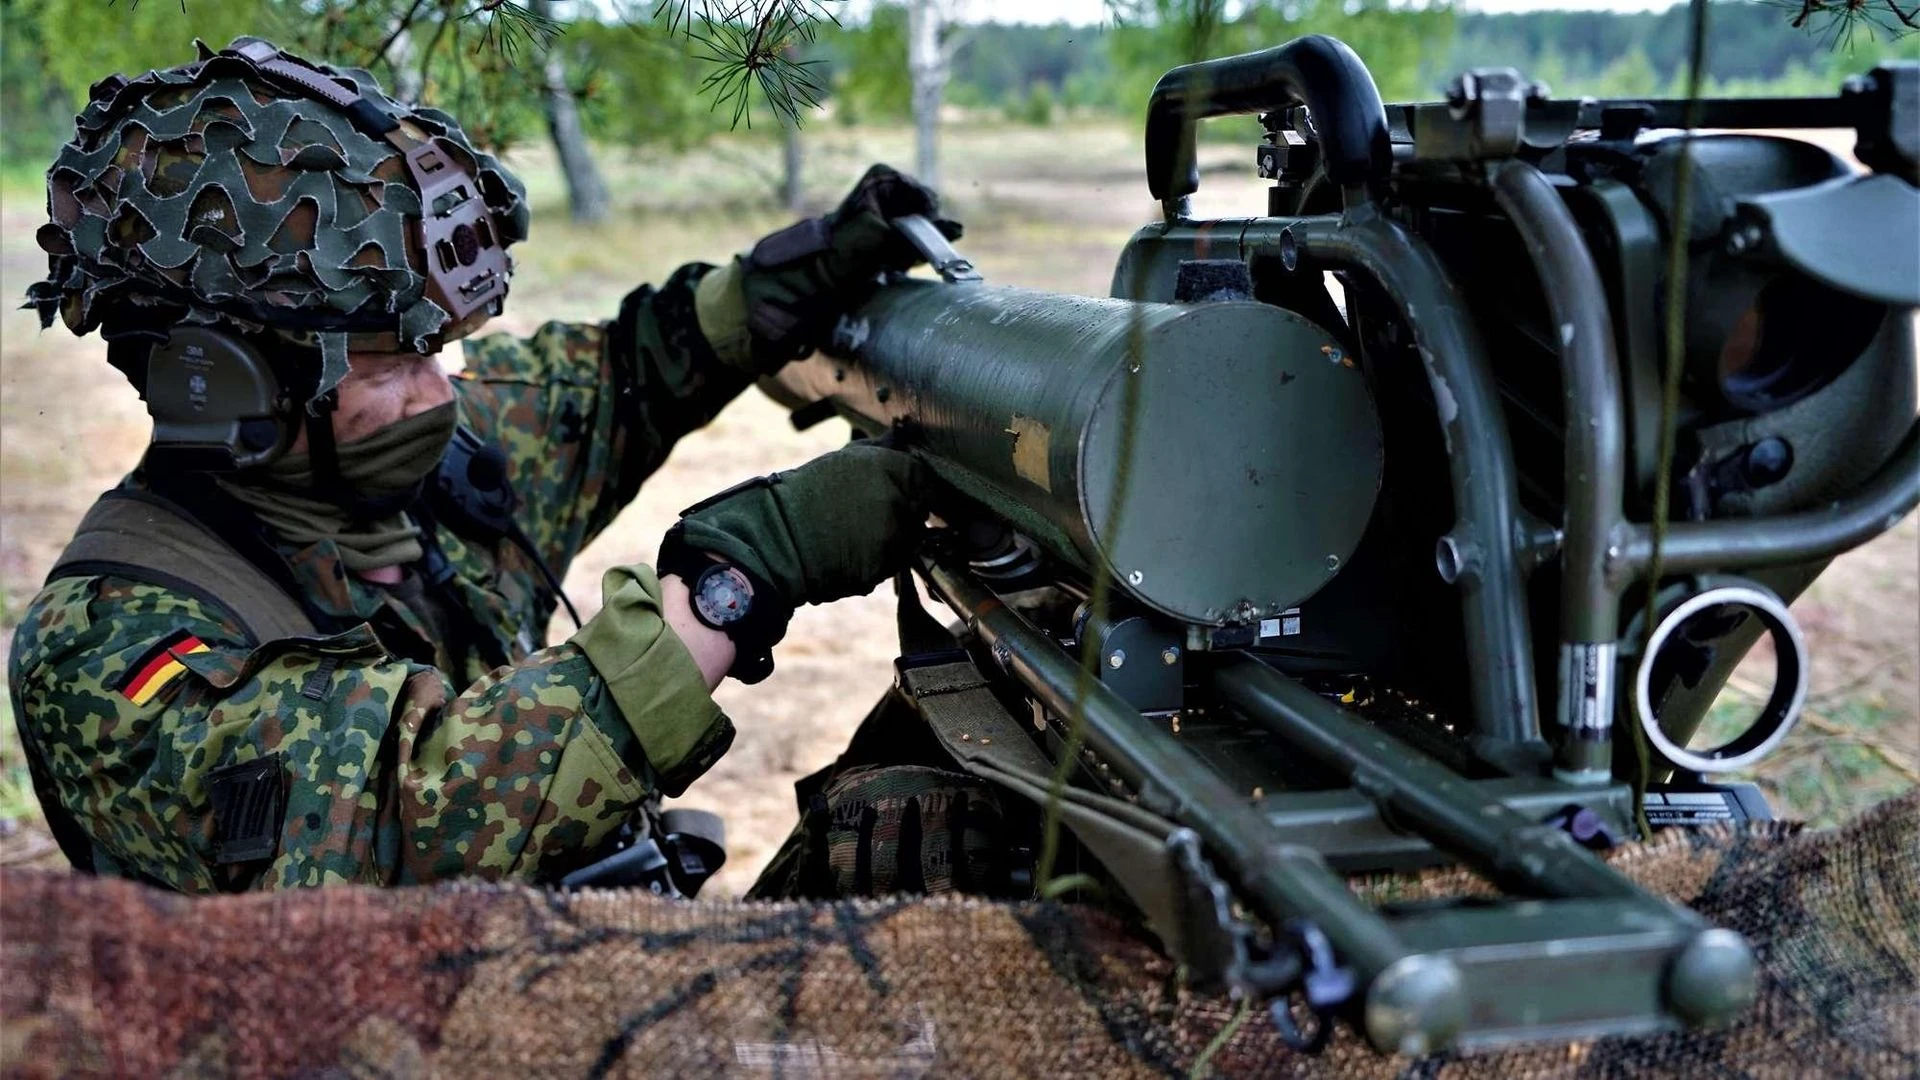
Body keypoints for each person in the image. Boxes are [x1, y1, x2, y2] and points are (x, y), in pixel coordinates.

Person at [7, 37, 957, 894]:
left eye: (443, 350)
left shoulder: (418, 460)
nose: (441, 394)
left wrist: (786, 279)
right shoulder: (106, 649)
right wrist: (733, 582)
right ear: (217, 383)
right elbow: (403, 820)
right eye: (396, 361)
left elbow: (622, 376)